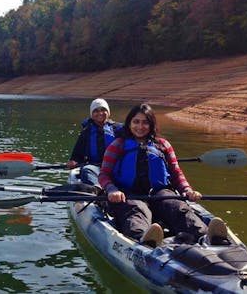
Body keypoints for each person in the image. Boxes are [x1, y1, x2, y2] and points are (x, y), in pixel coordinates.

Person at [98, 103, 227, 247]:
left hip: (159, 193)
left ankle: (204, 236)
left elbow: (176, 173)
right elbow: (104, 174)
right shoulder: (117, 145)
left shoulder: (163, 145)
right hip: (129, 194)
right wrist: (111, 189)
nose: (140, 126)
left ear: (151, 124)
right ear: (129, 123)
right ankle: (144, 240)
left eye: (145, 122)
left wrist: (187, 190)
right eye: (136, 122)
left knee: (177, 206)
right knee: (136, 210)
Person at [66, 98, 122, 188]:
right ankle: (98, 190)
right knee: (86, 170)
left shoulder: (119, 129)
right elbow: (76, 155)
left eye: (103, 110)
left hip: (116, 167)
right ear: (92, 114)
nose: (100, 113)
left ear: (108, 112)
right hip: (95, 168)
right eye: (96, 111)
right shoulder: (86, 132)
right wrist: (73, 161)